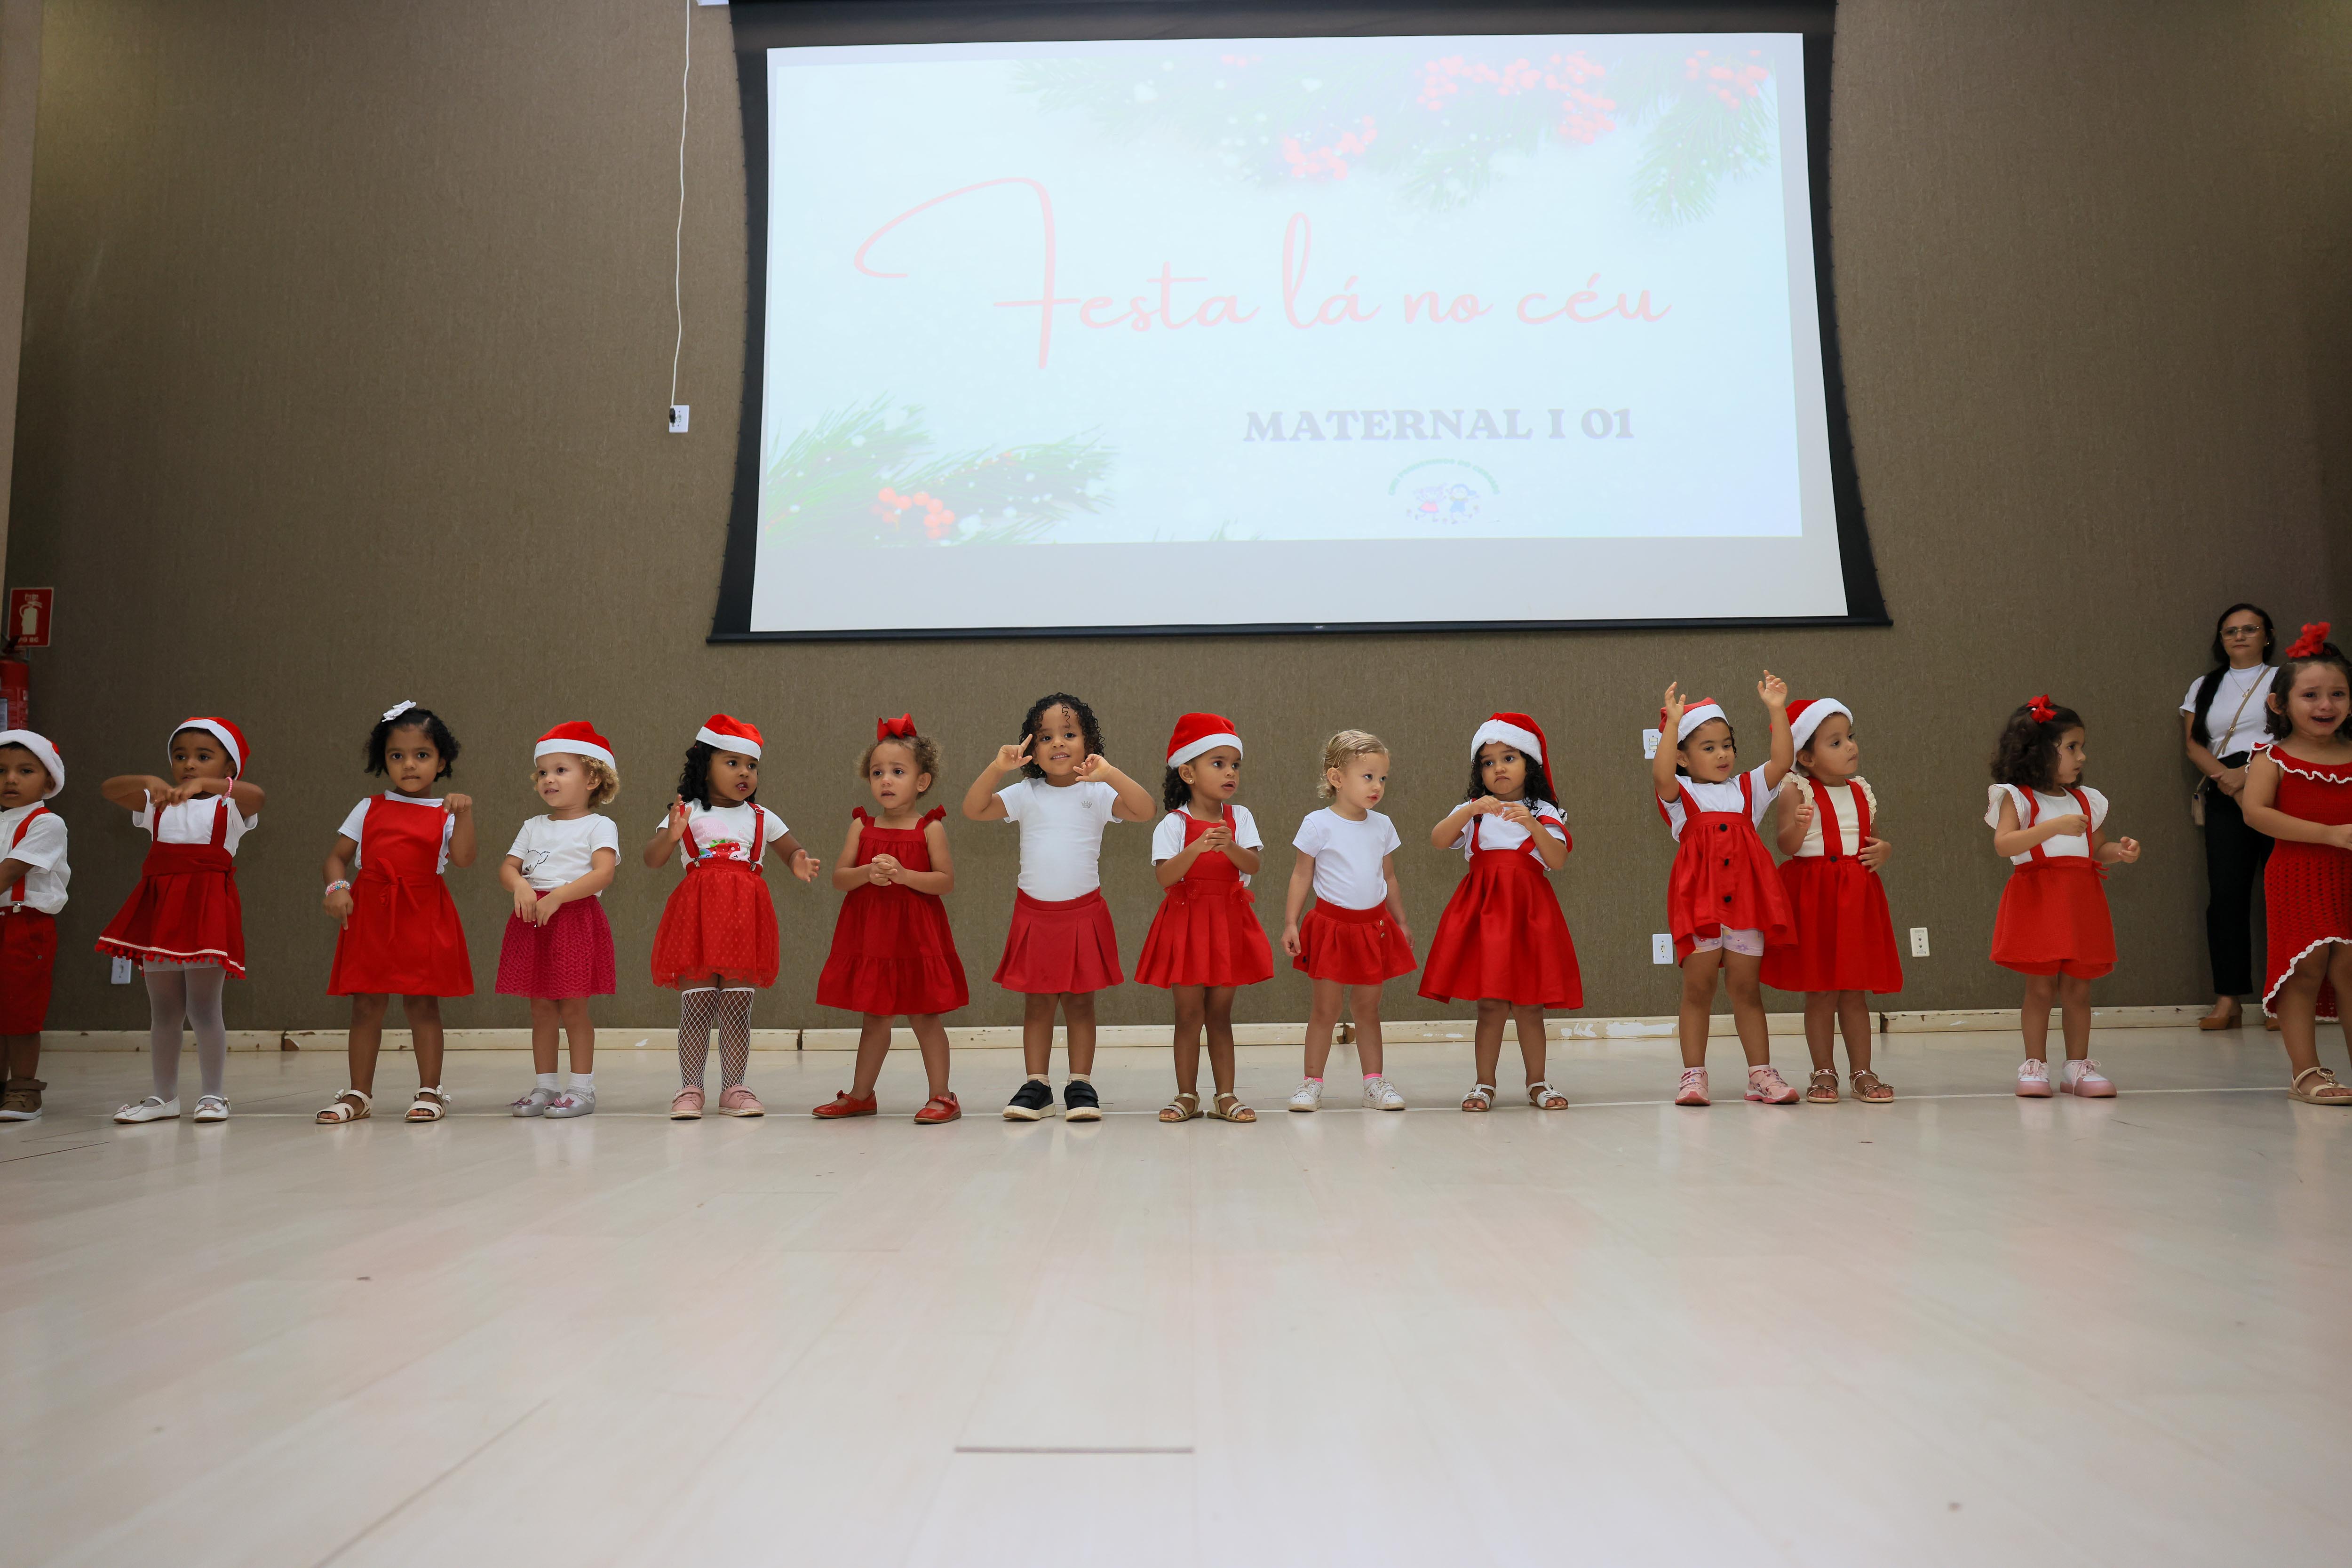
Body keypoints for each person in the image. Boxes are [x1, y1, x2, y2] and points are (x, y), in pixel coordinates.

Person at [962, 692, 1155, 1122]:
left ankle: (1080, 1083)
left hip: (1083, 913)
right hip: (1034, 915)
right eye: (1046, 736)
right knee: (1038, 1003)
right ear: (1031, 748)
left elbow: (1145, 810)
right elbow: (973, 809)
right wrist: (998, 767)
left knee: (1081, 1002)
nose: (1058, 743)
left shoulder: (1100, 792)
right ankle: (1037, 1084)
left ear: (1088, 743)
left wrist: (1111, 773)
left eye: (1069, 734)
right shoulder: (1025, 793)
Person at [645, 715, 817, 1120]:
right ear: (706, 765)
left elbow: (791, 849)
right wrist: (670, 835)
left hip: (744, 920)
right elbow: (652, 859)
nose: (744, 772)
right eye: (732, 762)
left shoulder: (762, 817)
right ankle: (690, 1088)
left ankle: (734, 1087)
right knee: (697, 1006)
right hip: (697, 921)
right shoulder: (684, 813)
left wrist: (798, 862)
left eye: (751, 765)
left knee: (738, 1008)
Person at [316, 702, 475, 1124]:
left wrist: (464, 815)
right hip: (371, 912)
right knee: (366, 1004)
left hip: (422, 913)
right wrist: (338, 887)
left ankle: (430, 1090)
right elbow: (337, 858)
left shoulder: (446, 811)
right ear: (382, 759)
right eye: (397, 755)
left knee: (423, 1004)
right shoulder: (367, 807)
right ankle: (358, 1093)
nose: (409, 765)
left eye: (422, 755)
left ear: (442, 761)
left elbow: (463, 859)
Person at [99, 718, 264, 1125]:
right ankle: (164, 1096)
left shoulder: (231, 804)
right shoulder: (157, 804)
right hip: (161, 910)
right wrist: (147, 779)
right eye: (180, 756)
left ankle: (213, 1095)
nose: (189, 764)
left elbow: (257, 795)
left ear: (229, 769)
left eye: (203, 757)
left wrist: (210, 787)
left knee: (204, 1007)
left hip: (206, 909)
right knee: (164, 1011)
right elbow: (109, 789)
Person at [1419, 713, 1581, 1112]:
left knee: (1530, 1002)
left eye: (1509, 758)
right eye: (1488, 763)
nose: (1499, 768)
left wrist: (1533, 822)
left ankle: (1538, 1082)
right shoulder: (1475, 811)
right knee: (1490, 1002)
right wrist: (1469, 810)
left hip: (1529, 915)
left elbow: (1557, 860)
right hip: (1484, 913)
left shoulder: (1544, 810)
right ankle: (1483, 1083)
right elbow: (1439, 839)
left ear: (1530, 763)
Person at [1650, 681, 1800, 1106]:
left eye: (1727, 745)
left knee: (1746, 989)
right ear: (1683, 755)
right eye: (1709, 747)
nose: (1722, 755)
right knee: (1697, 989)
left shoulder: (1749, 791)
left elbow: (1782, 760)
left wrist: (1776, 709)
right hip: (1700, 905)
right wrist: (1673, 725)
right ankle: (1694, 1076)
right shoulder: (1682, 798)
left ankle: (1760, 1074)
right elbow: (1661, 775)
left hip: (1746, 906)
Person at [813, 715, 966, 1123]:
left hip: (916, 936)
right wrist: (868, 873)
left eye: (898, 772)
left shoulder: (929, 827)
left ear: (922, 781)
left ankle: (942, 1095)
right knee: (875, 1016)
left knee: (924, 1014)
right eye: (878, 772)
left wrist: (903, 875)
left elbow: (945, 881)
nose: (886, 780)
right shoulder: (861, 826)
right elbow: (840, 878)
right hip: (874, 936)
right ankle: (862, 1094)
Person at [1986, 697, 2141, 1097]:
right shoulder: (2016, 797)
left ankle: (2078, 1067)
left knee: (2078, 988)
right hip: (2039, 898)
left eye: (2081, 746)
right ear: (2038, 752)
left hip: (2080, 900)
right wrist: (2054, 826)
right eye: (2071, 747)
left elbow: (2096, 847)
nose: (2081, 756)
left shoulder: (2086, 799)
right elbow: (2004, 844)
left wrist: (2119, 853)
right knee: (2040, 988)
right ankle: (2034, 1065)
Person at [1760, 698, 1903, 1103]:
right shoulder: (1797, 788)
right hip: (1816, 898)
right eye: (1836, 742)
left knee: (1854, 990)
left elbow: (1868, 840)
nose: (1851, 747)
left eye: (1850, 737)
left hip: (1856, 897)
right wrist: (1799, 827)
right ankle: (1824, 1071)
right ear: (1805, 754)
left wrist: (1885, 850)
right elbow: (1786, 845)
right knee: (1821, 990)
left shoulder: (1862, 790)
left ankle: (1863, 1070)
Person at [2236, 624, 2352, 1103]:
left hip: (2347, 875)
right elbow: (2255, 813)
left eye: (2337, 694)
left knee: (2349, 969)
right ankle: (2305, 1072)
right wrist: (2328, 835)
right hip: (2298, 873)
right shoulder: (2272, 756)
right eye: (2310, 695)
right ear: (2279, 705)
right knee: (2304, 967)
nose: (2325, 705)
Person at [1136, 713, 1271, 1125]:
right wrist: (1196, 848)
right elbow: (1165, 876)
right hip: (1187, 924)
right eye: (1219, 763)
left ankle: (1226, 1096)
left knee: (1220, 1014)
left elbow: (1253, 865)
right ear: (1188, 771)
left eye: (1235, 764)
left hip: (1227, 924)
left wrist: (1229, 846)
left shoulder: (1240, 818)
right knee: (1189, 1014)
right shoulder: (1173, 824)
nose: (1230, 772)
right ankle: (1186, 1094)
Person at [1281, 730, 1416, 1112]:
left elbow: (1388, 877)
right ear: (1337, 778)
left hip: (1374, 929)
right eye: (1368, 776)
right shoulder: (1317, 824)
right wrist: (1291, 922)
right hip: (1332, 929)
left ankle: (1374, 1083)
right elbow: (1301, 875)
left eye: (1383, 778)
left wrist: (1401, 920)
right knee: (1326, 1009)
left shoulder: (1383, 825)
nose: (1377, 786)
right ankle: (1311, 1082)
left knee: (1368, 1008)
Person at [500, 722, 620, 1119]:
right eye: (543, 772)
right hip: (533, 919)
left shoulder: (599, 825)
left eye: (561, 770)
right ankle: (546, 1086)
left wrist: (559, 896)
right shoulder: (533, 825)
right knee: (541, 1008)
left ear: (593, 777)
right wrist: (519, 885)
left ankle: (582, 1089)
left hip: (572, 918)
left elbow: (603, 873)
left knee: (573, 1007)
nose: (549, 779)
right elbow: (509, 867)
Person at [2180, 603, 2279, 1030]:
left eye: (2249, 629)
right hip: (2223, 788)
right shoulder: (2204, 685)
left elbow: (2301, 731)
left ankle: (2283, 1000)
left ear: (2267, 636)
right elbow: (2193, 743)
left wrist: (2251, 775)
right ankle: (2229, 999)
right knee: (2226, 896)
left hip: (2278, 782)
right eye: (2229, 631)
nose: (2239, 636)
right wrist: (2228, 778)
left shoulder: (2285, 678)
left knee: (2281, 890)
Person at [0, 729, 67, 1122]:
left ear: (49, 781)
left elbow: (9, 872)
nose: (11, 779)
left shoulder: (47, 823)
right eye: (2, 770)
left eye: (25, 770)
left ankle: (24, 1089)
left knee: (21, 1010)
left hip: (26, 925)